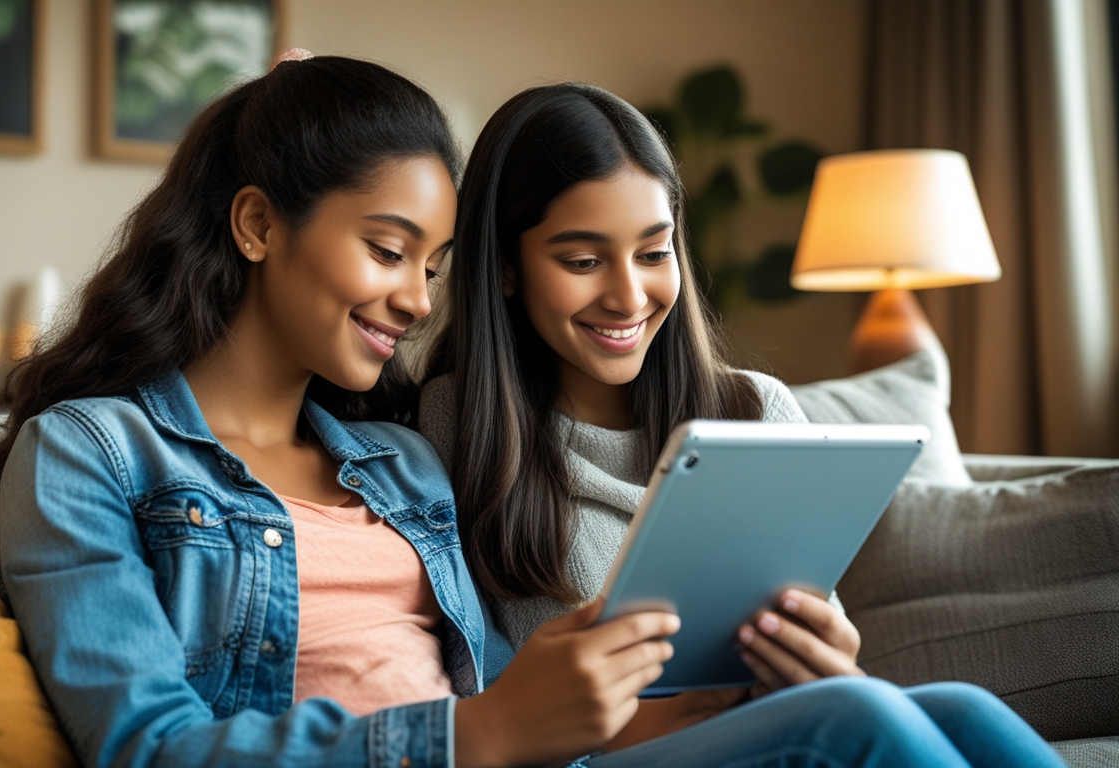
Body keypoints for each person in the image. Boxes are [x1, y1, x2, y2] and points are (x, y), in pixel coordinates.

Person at [0, 56, 685, 768]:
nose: (418, 300)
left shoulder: (404, 462)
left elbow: (518, 711)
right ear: (257, 223)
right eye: (389, 251)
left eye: (432, 268)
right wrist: (471, 736)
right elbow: (150, 749)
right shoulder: (86, 456)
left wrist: (703, 707)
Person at [420, 82, 1067, 766]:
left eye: (653, 252)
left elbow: (831, 651)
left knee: (961, 706)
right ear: (506, 268)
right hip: (605, 757)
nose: (629, 296)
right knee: (854, 715)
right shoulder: (453, 426)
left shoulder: (754, 410)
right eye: (582, 261)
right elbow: (488, 691)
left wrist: (830, 656)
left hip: (761, 729)